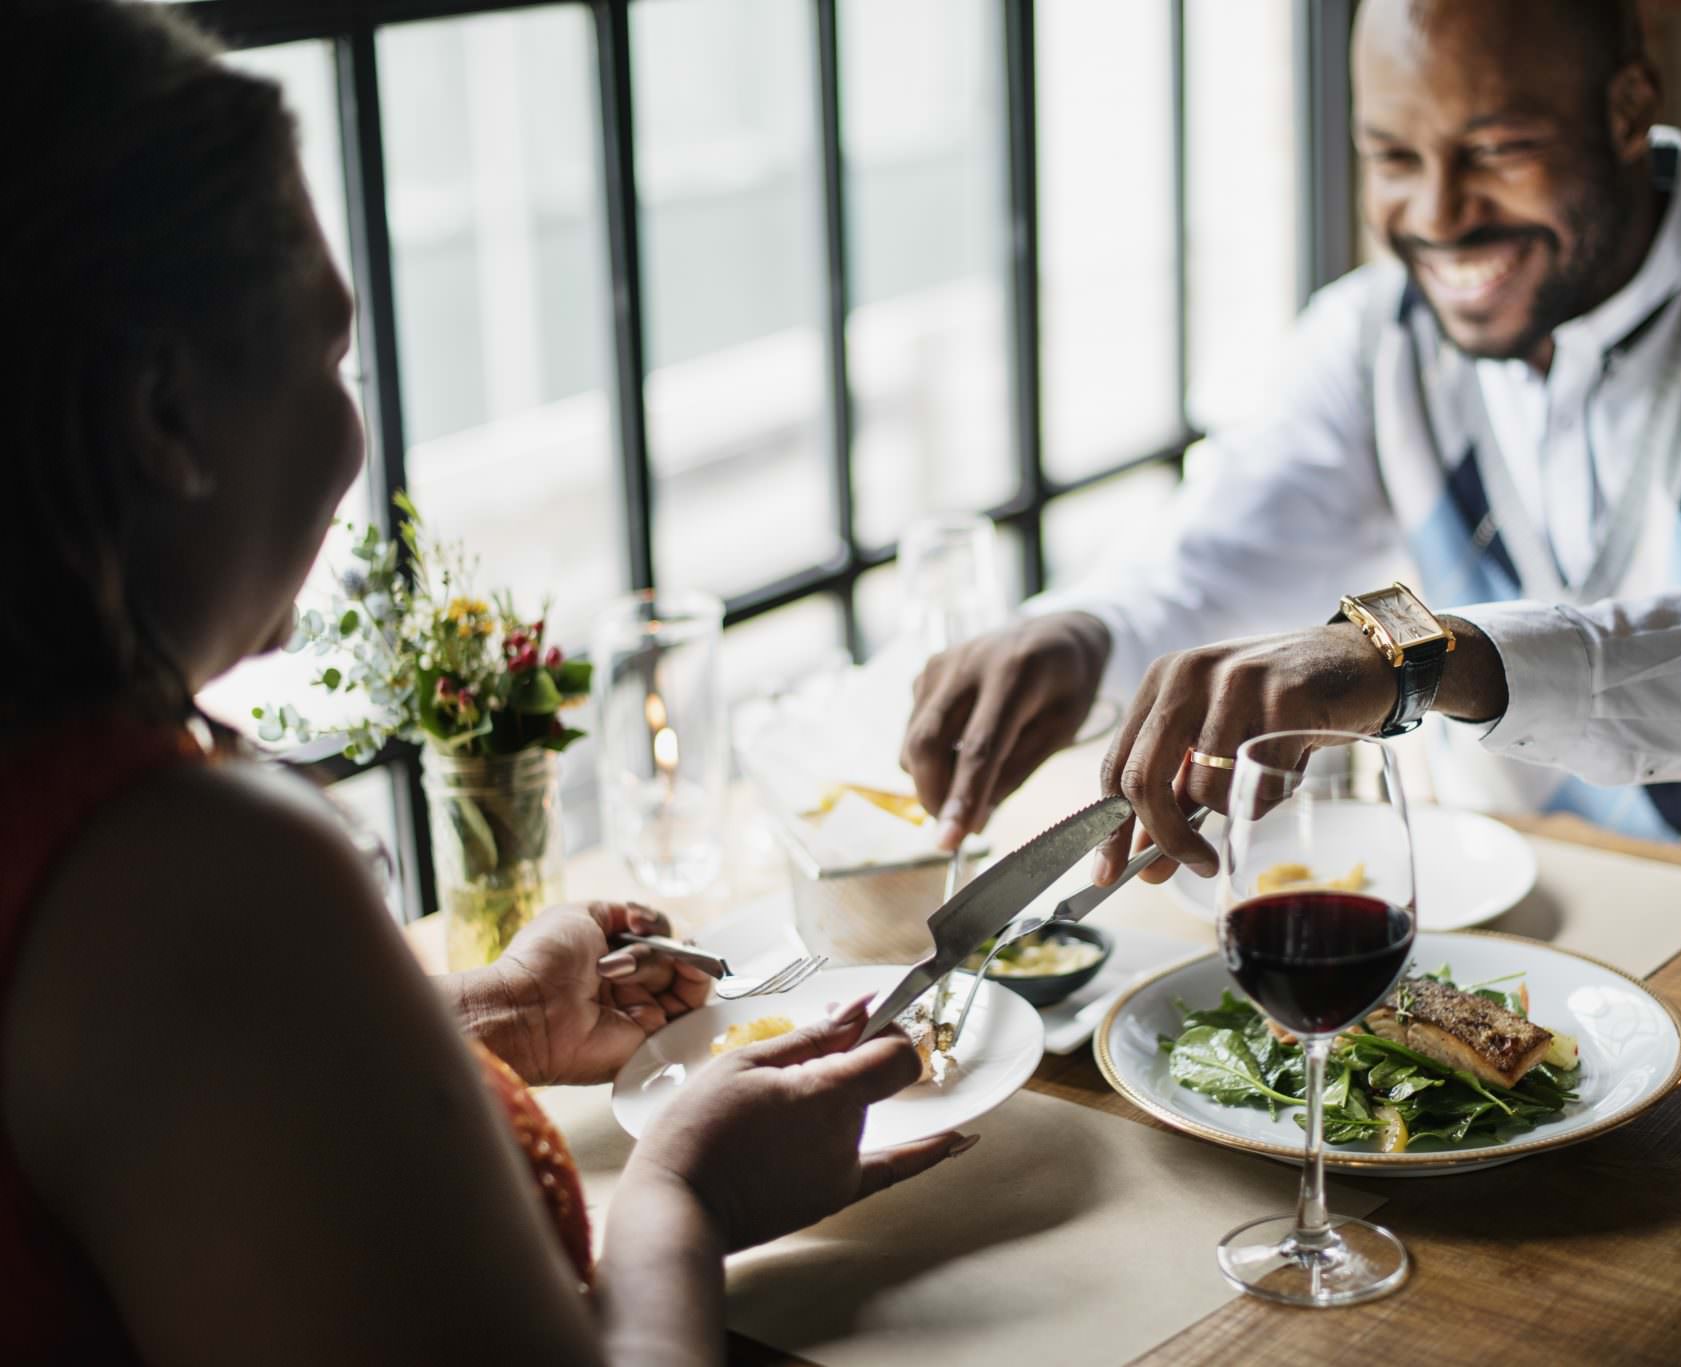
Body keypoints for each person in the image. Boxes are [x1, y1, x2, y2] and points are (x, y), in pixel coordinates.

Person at [0, 4, 965, 1363]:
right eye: (332, 357)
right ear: (164, 414)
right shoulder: (188, 876)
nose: (354, 443)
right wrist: (681, 1199)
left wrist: (493, 1018)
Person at [903, 0, 1681, 899]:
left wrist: (1412, 655)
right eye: (1392, 157)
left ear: (1628, 108)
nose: (1438, 214)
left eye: (1498, 150)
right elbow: (1219, 555)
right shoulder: (1371, 335)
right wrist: (1080, 634)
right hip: (1545, 919)